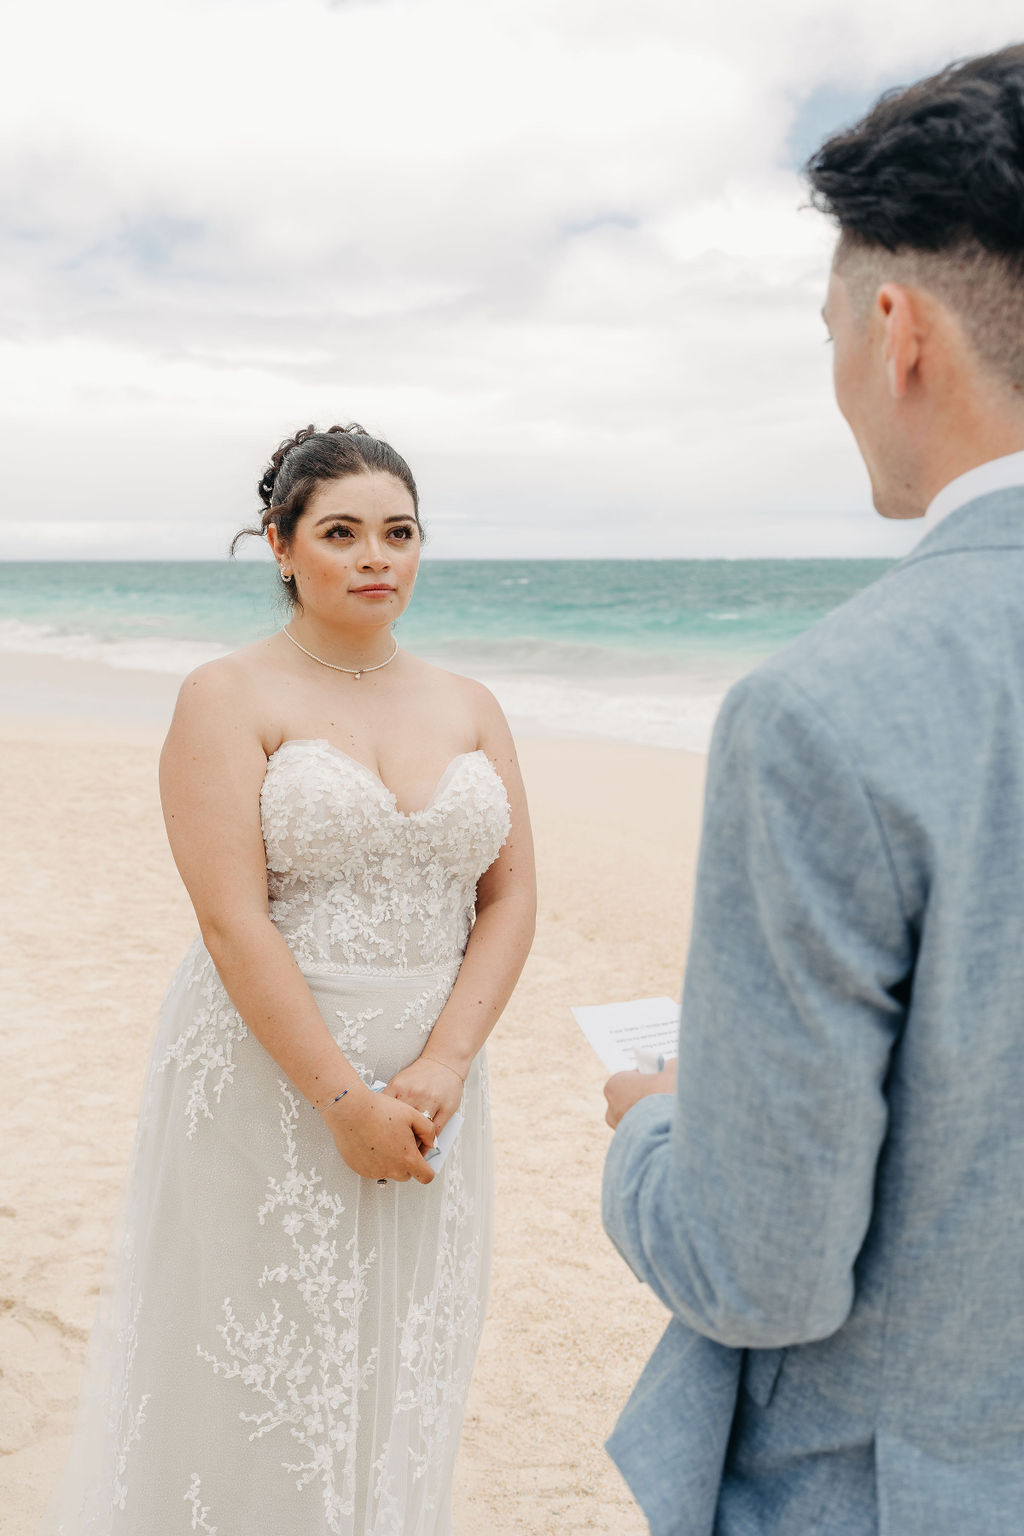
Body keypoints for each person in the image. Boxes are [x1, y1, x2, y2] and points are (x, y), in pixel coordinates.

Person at [600, 43, 1024, 1536]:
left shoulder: (827, 711)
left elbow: (763, 1266)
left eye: (831, 328)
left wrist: (653, 1130)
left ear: (898, 334)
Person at [38, 423, 536, 1536]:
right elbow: (229, 920)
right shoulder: (226, 693)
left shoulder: (469, 704)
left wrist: (447, 1057)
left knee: (403, 1348)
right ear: (281, 545)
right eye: (342, 532)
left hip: (437, 1078)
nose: (376, 558)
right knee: (261, 1363)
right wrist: (343, 1100)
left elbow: (509, 899)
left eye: (399, 533)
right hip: (274, 1072)